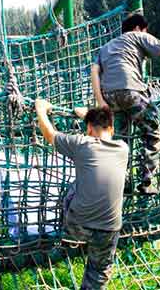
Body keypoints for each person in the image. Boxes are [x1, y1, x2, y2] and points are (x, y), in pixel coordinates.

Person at [35, 100, 129, 290]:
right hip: (108, 230)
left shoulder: (82, 144)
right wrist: (87, 115)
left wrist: (40, 108)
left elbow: (49, 134)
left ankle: (66, 238)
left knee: (74, 186)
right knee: (99, 271)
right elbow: (103, 132)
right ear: (111, 128)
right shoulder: (123, 149)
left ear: (88, 129)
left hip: (78, 227)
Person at [91, 14, 160, 195]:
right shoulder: (138, 36)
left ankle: (121, 182)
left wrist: (101, 101)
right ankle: (147, 182)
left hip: (109, 97)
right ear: (138, 28)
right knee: (153, 135)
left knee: (120, 140)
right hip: (132, 92)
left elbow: (94, 71)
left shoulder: (106, 47)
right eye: (146, 30)